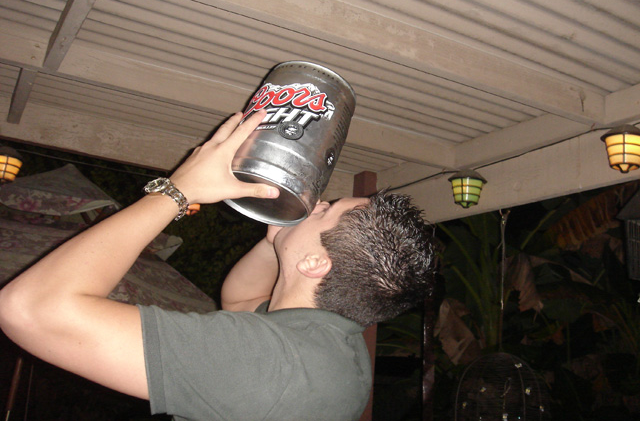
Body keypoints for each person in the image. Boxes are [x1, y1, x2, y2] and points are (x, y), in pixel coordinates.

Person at [0, 110, 437, 420]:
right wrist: (276, 236)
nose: (317, 203)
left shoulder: (269, 363)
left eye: (326, 211)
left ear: (315, 263)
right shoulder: (331, 347)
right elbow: (242, 299)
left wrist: (179, 190)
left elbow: (32, 308)